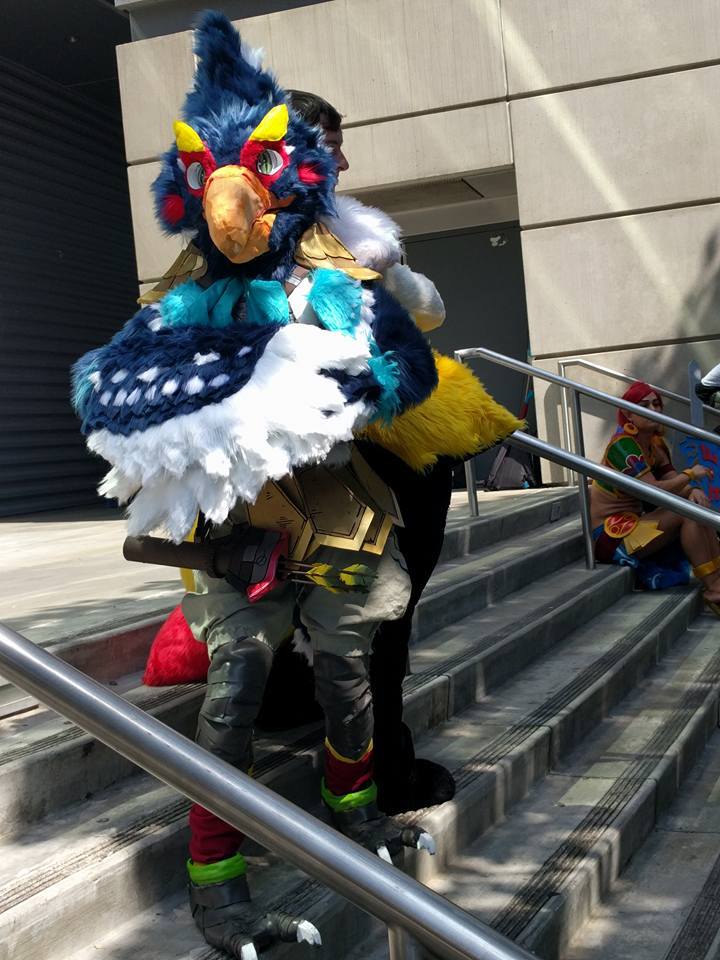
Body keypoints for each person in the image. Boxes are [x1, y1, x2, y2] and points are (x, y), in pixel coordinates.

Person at [590, 381, 720, 610]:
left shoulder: (655, 443)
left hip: (637, 523)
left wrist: (694, 490)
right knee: (686, 512)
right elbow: (654, 491)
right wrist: (690, 475)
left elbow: (673, 481)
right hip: (610, 537)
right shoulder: (622, 447)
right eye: (644, 406)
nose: (654, 410)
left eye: (656, 404)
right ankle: (713, 589)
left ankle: (717, 580)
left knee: (696, 503)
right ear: (628, 414)